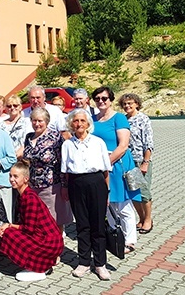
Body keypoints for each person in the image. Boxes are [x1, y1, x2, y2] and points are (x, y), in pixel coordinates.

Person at [62, 109, 112, 280]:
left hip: (97, 183)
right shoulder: (67, 144)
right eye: (76, 121)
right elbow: (66, 171)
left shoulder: (98, 143)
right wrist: (66, 188)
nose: (79, 124)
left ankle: (100, 264)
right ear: (71, 124)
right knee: (82, 225)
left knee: (98, 225)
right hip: (76, 184)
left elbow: (106, 170)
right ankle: (83, 262)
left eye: (82, 120)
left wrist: (107, 192)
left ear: (88, 123)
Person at [0, 160, 64, 282]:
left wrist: (9, 226)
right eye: (10, 176)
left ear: (26, 179)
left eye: (16, 176)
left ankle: (38, 268)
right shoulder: (23, 195)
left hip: (49, 242)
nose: (12, 179)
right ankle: (43, 263)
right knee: (9, 232)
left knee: (9, 234)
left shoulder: (30, 198)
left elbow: (29, 229)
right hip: (46, 239)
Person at [92, 86, 140, 255]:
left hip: (117, 165)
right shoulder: (92, 119)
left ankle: (130, 240)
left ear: (110, 100)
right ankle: (114, 235)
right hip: (99, 166)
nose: (101, 101)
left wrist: (106, 162)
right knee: (107, 203)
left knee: (123, 204)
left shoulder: (119, 118)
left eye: (104, 98)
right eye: (97, 99)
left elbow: (123, 145)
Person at [23, 107, 72, 236]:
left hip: (51, 186)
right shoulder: (28, 137)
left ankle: (56, 252)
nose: (37, 124)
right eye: (34, 120)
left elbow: (62, 162)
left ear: (47, 121)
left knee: (54, 221)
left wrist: (64, 186)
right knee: (37, 222)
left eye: (40, 121)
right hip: (33, 186)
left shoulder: (55, 137)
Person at [119, 93, 154, 234]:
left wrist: (145, 162)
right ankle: (141, 218)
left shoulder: (143, 119)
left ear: (137, 104)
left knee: (144, 192)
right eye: (125, 104)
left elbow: (149, 142)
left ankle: (148, 220)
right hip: (127, 160)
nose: (127, 106)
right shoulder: (124, 120)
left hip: (140, 160)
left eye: (130, 103)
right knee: (132, 191)